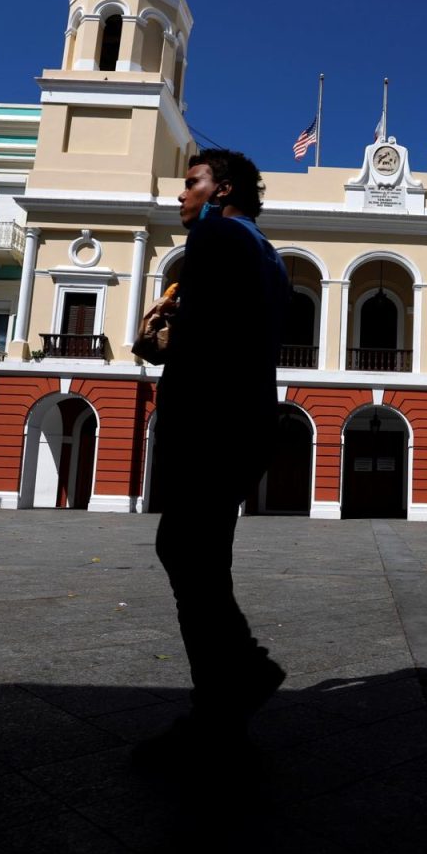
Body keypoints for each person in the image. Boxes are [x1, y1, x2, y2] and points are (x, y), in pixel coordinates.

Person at [135, 149, 289, 766]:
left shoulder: (216, 235)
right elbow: (234, 333)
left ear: (220, 190)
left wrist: (158, 343)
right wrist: (167, 340)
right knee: (199, 556)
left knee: (186, 552)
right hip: (244, 418)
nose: (181, 196)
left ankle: (231, 687)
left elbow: (207, 342)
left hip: (211, 422)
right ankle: (226, 703)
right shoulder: (264, 252)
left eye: (191, 183)